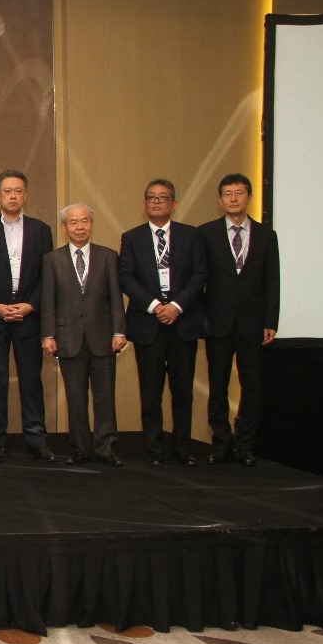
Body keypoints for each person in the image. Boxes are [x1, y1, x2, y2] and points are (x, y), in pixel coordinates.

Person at [118, 180, 207, 466]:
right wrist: (157, 306)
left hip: (183, 323)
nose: (157, 202)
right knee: (150, 393)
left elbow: (199, 276)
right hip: (148, 324)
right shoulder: (131, 238)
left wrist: (176, 307)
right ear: (144, 204)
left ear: (174, 204)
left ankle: (182, 450)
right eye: (151, 198)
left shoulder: (191, 235)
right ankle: (154, 451)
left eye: (163, 197)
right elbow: (126, 278)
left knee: (183, 393)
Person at [0, 170, 56, 463]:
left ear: (26, 195)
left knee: (31, 381)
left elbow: (47, 275)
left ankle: (37, 440)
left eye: (18, 191)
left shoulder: (41, 230)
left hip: (28, 317)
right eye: (7, 191)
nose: (13, 196)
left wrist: (31, 305)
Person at [198, 173, 280, 467]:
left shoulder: (266, 235)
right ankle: (221, 443)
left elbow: (272, 281)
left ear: (249, 197)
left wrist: (271, 320)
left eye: (239, 193)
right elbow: (199, 280)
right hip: (217, 323)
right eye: (228, 194)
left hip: (253, 324)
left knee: (252, 387)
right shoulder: (205, 233)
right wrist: (201, 320)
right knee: (217, 386)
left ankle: (244, 445)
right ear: (220, 200)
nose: (233, 198)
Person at [41, 203, 127, 467]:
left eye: (85, 221)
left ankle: (106, 448)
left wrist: (120, 331)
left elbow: (116, 298)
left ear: (91, 224)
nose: (80, 227)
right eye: (74, 222)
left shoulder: (108, 256)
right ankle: (79, 448)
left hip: (103, 337)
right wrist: (48, 335)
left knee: (105, 397)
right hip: (68, 338)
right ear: (64, 227)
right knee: (76, 398)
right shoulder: (52, 260)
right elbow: (48, 301)